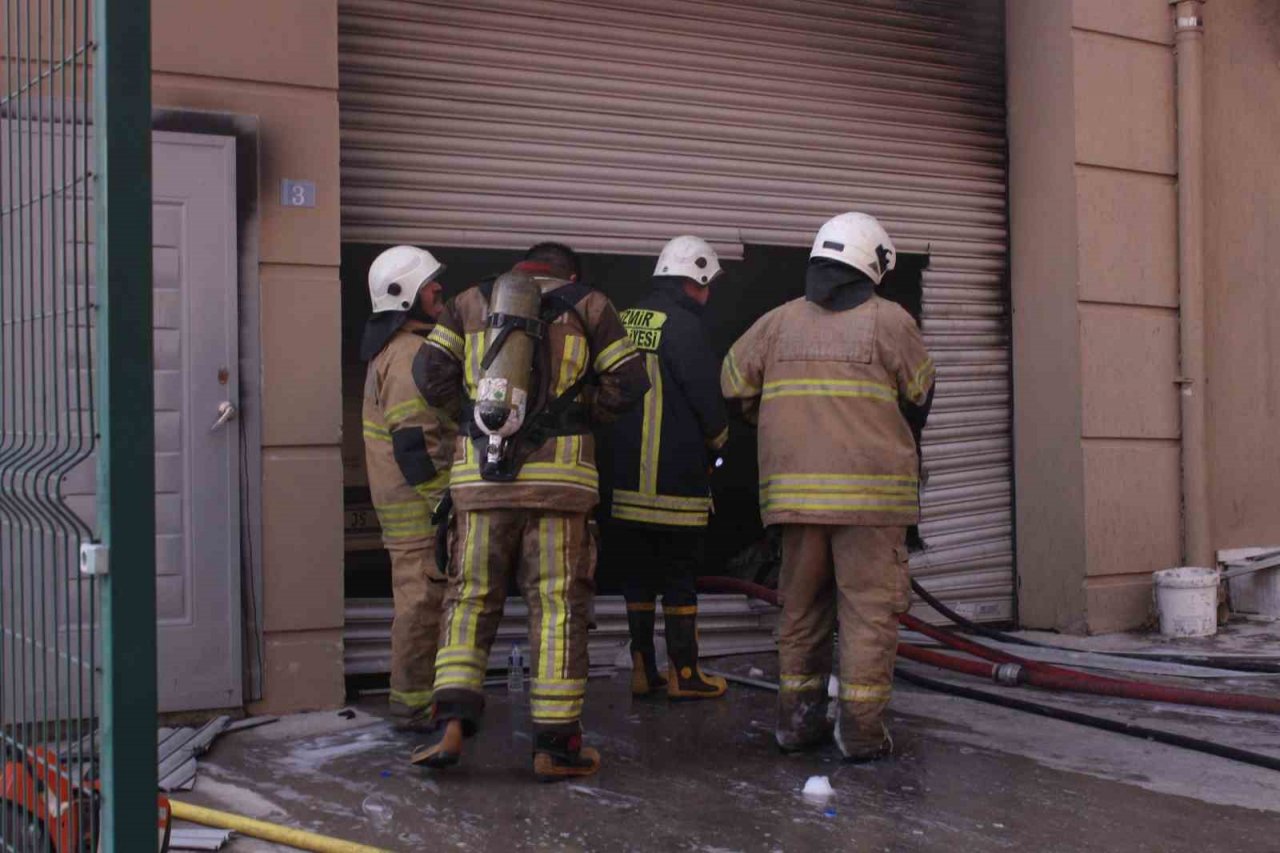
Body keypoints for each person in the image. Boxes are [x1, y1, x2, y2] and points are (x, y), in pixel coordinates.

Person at [412, 242, 650, 780]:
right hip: (559, 488)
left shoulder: (471, 301)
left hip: (480, 483)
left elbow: (429, 373)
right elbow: (629, 381)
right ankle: (555, 747)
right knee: (558, 610)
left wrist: (477, 425)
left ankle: (450, 722)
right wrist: (577, 413)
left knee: (469, 599)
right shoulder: (590, 305)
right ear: (570, 272)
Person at [721, 212, 935, 762]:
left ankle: (796, 725)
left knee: (801, 613)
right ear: (872, 264)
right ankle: (861, 732)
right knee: (867, 613)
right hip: (872, 502)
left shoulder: (776, 324)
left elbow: (733, 384)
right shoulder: (891, 322)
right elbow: (919, 394)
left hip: (794, 502)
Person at [609, 236, 730, 700]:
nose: (709, 295)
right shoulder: (683, 326)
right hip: (675, 483)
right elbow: (706, 399)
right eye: (707, 284)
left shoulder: (622, 320)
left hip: (624, 485)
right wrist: (721, 442)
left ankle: (644, 670)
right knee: (679, 577)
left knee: (637, 576)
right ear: (693, 278)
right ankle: (685, 675)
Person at [360, 245, 457, 731]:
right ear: (406, 296)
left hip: (415, 509)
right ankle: (415, 706)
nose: (440, 288)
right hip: (419, 512)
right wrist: (444, 499)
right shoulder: (406, 356)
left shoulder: (404, 349)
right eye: (430, 284)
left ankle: (426, 699)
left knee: (425, 604)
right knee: (421, 606)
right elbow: (414, 443)